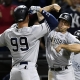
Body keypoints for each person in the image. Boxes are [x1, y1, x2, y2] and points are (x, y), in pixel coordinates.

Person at [0, 4, 59, 80]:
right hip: (28, 69)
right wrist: (40, 10)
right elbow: (54, 23)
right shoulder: (33, 31)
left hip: (14, 71)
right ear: (27, 17)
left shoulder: (8, 33)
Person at [44, 12, 80, 80]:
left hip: (65, 73)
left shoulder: (68, 36)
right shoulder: (51, 31)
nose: (62, 24)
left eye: (65, 23)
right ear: (58, 21)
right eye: (61, 21)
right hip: (51, 72)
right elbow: (42, 17)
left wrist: (63, 46)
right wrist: (40, 9)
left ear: (68, 26)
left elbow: (79, 47)